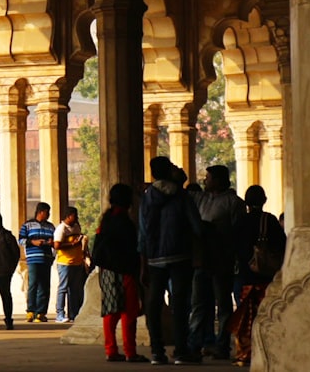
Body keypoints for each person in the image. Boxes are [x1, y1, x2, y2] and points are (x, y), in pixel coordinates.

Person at [139, 156, 203, 366]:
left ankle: (157, 351)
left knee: (154, 304)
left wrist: (143, 261)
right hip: (180, 255)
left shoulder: (147, 197)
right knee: (181, 303)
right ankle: (181, 350)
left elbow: (142, 232)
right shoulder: (182, 196)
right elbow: (196, 226)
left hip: (155, 257)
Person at [189, 164, 246, 360]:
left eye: (209, 178)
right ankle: (198, 343)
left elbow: (238, 232)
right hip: (202, 260)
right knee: (199, 305)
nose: (205, 180)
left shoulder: (233, 202)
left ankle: (222, 345)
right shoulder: (201, 199)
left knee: (222, 306)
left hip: (222, 260)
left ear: (219, 181)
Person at [228, 185, 286, 367]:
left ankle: (244, 353)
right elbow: (282, 246)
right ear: (265, 200)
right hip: (265, 277)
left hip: (244, 276)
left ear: (245, 201)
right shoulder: (269, 220)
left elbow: (232, 247)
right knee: (266, 315)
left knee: (245, 317)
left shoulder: (240, 221)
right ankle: (267, 351)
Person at [91, 183, 148, 363]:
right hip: (124, 271)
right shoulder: (124, 221)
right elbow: (131, 250)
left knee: (111, 312)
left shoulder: (106, 219)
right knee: (128, 312)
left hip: (107, 272)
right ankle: (130, 352)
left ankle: (111, 350)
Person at [18, 201, 55, 322]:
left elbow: (56, 241)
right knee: (33, 284)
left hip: (47, 258)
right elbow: (21, 240)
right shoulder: (27, 225)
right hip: (33, 258)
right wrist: (33, 242)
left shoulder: (50, 226)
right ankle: (30, 311)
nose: (48, 215)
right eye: (47, 212)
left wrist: (51, 243)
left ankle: (41, 312)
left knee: (44, 286)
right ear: (41, 212)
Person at [53, 206, 88, 324]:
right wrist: (72, 244)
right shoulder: (61, 229)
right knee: (63, 288)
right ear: (68, 216)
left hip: (77, 262)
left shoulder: (76, 227)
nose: (76, 218)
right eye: (74, 216)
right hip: (65, 263)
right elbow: (56, 246)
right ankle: (60, 314)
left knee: (74, 289)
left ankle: (74, 313)